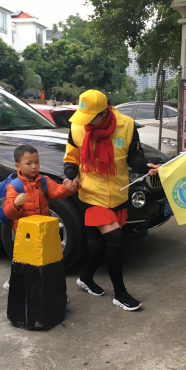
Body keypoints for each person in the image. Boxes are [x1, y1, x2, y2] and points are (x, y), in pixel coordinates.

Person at [63, 90, 159, 311]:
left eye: (91, 118)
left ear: (104, 112)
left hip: (118, 192)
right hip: (91, 192)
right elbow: (71, 158)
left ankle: (86, 277)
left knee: (105, 242)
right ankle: (120, 294)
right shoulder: (77, 127)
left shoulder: (127, 125)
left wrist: (144, 167)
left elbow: (134, 155)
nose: (86, 122)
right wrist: (70, 176)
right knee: (115, 240)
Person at [3, 144, 78, 290]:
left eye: (36, 162)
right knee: (26, 260)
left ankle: (48, 293)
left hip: (43, 230)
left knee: (45, 260)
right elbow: (9, 213)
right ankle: (14, 283)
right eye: (29, 163)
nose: (34, 166)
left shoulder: (43, 181)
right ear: (18, 166)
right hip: (25, 233)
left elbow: (57, 191)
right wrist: (16, 204)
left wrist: (69, 187)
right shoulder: (15, 186)